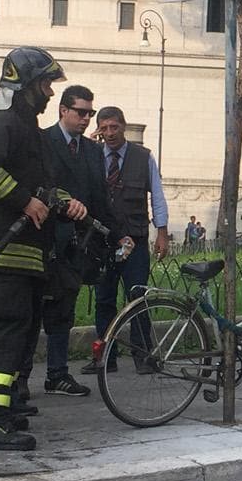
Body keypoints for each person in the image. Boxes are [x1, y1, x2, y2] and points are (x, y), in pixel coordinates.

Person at [0, 47, 84, 451]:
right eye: (46, 84)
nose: (51, 92)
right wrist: (23, 201)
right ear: (28, 84)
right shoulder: (4, 121)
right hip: (1, 249)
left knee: (20, 335)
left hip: (24, 252)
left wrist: (61, 202)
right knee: (6, 332)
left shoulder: (26, 127)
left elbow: (40, 185)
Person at [37, 83, 107, 397]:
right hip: (45, 237)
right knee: (32, 308)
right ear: (63, 110)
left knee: (64, 309)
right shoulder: (43, 141)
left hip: (79, 242)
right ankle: (19, 377)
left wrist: (120, 235)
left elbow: (101, 197)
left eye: (90, 113)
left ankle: (57, 373)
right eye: (80, 112)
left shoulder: (92, 150)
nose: (86, 119)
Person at [92, 107, 171, 371]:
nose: (110, 133)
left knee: (137, 297)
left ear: (123, 126)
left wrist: (162, 233)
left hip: (135, 240)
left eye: (114, 127)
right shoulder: (92, 155)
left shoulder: (143, 157)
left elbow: (157, 196)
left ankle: (143, 356)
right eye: (104, 128)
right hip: (104, 241)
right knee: (104, 299)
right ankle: (105, 358)